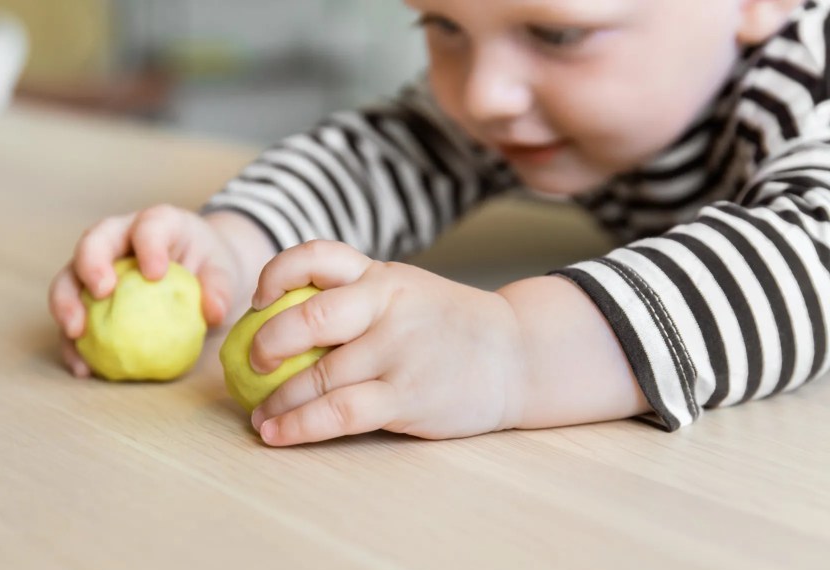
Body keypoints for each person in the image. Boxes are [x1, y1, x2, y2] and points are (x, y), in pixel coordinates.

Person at [49, 0, 830, 447]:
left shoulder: (811, 77)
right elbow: (377, 157)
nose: (483, 93)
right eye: (443, 24)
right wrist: (228, 245)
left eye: (557, 33)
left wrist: (513, 348)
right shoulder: (522, 98)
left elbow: (814, 251)